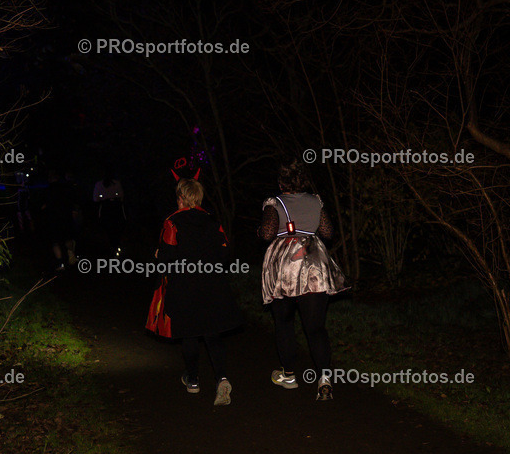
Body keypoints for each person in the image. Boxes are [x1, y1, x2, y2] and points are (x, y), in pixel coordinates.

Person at [146, 179, 242, 406]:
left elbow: (168, 254)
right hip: (212, 284)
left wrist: (159, 254)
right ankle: (222, 378)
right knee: (212, 332)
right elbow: (224, 252)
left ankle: (192, 379)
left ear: (181, 198)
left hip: (185, 285)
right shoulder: (212, 221)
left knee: (189, 333)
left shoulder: (172, 222)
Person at [260, 161, 348, 400]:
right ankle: (325, 379)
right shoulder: (316, 201)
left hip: (285, 266)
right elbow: (328, 233)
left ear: (281, 183)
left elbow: (268, 233)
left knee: (284, 322)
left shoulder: (274, 203)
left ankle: (289, 376)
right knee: (315, 327)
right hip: (314, 264)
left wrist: (261, 230)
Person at [93, 169, 126, 256]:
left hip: (107, 207)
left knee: (109, 227)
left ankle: (113, 246)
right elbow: (121, 195)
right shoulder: (115, 183)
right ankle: (116, 245)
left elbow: (95, 199)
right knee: (116, 226)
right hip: (114, 207)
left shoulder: (99, 184)